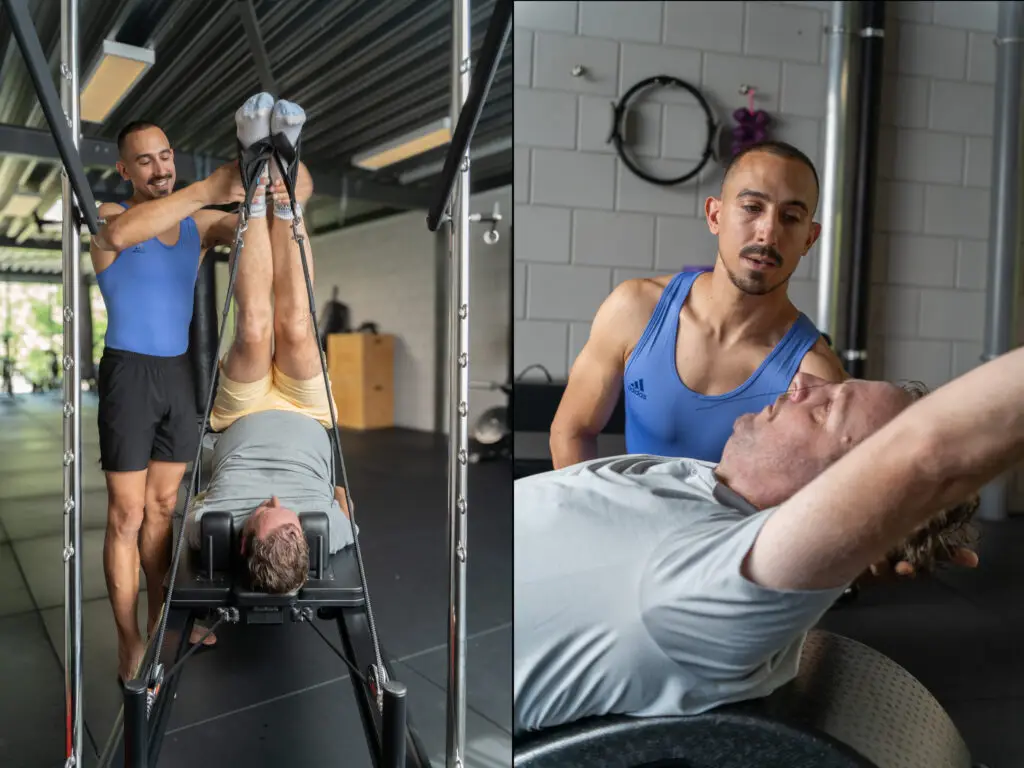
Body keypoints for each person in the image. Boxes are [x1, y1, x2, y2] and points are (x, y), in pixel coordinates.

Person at [513, 364, 997, 735]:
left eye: (828, 410)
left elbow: (930, 451)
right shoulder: (707, 485)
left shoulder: (701, 584)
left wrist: (864, 535)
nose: (805, 379)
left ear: (841, 497)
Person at [90, 106, 314, 683]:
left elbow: (274, 209)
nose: (159, 167)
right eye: (145, 160)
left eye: (165, 156)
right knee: (127, 514)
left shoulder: (197, 224)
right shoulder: (113, 214)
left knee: (165, 509)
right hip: (130, 374)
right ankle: (129, 639)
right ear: (125, 170)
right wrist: (207, 188)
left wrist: (274, 167)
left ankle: (167, 615)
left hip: (180, 375)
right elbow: (117, 235)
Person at [550, 140, 848, 468]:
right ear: (715, 215)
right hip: (633, 517)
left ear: (809, 238)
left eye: (791, 217)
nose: (768, 233)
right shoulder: (635, 309)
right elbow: (571, 431)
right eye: (752, 208)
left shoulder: (814, 375)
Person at [182, 93, 355, 597]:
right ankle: (288, 191)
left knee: (256, 325)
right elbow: (344, 499)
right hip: (308, 412)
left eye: (262, 509)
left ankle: (254, 165)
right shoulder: (333, 533)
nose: (274, 498)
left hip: (241, 415)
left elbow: (190, 498)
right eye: (291, 513)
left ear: (243, 542)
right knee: (298, 325)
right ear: (305, 536)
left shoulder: (209, 528)